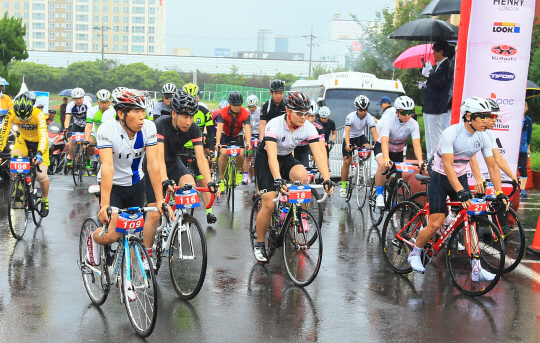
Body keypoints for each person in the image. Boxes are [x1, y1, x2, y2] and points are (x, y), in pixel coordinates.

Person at [407, 96, 505, 281]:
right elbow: (448, 166)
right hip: (440, 176)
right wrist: (461, 191)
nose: (486, 121)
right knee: (435, 222)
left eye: (487, 117)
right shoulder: (451, 133)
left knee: (471, 219)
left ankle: (476, 269)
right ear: (468, 116)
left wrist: (499, 192)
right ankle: (415, 253)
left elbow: (492, 166)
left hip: (458, 176)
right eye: (481, 116)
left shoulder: (483, 136)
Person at [86, 89, 168, 285]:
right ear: (121, 113)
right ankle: (93, 238)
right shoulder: (107, 129)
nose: (142, 117)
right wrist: (104, 204)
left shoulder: (149, 127)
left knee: (133, 233)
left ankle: (126, 277)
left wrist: (159, 200)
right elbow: (108, 167)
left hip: (136, 183)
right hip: (112, 185)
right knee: (114, 234)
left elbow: (153, 164)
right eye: (136, 111)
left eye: (143, 111)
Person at [253, 91, 334, 263]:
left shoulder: (308, 127)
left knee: (303, 176)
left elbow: (319, 154)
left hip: (286, 158)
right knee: (268, 203)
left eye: (306, 113)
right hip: (266, 159)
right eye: (299, 113)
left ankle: (288, 212)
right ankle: (259, 244)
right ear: (288, 111)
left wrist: (326, 178)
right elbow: (272, 157)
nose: (304, 117)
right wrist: (277, 178)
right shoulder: (274, 124)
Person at [142, 90, 218, 269]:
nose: (188, 121)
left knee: (188, 184)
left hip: (174, 163)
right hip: (154, 166)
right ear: (174, 113)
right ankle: (147, 253)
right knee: (153, 213)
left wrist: (209, 182)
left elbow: (201, 159)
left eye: (191, 116)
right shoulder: (160, 124)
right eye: (184, 116)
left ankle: (176, 218)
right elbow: (159, 158)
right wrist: (165, 180)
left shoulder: (193, 128)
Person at [0, 95, 50, 216]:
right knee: (14, 157)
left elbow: (43, 135)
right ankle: (18, 186)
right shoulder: (11, 113)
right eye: (20, 119)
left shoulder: (38, 114)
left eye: (26, 118)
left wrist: (39, 153)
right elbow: (4, 132)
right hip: (23, 142)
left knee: (41, 175)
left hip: (40, 144)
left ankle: (44, 199)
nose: (23, 121)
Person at [374, 96, 424, 207]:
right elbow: (384, 142)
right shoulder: (389, 122)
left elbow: (416, 144)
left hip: (398, 152)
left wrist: (420, 161)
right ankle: (379, 195)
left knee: (397, 177)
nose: (407, 115)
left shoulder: (413, 124)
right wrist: (386, 159)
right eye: (404, 112)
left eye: (409, 112)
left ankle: (393, 200)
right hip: (382, 147)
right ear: (397, 112)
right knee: (383, 166)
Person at [179, 87, 217, 223]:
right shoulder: (179, 113)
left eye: (194, 98)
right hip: (181, 148)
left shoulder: (205, 112)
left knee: (202, 180)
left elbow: (211, 133)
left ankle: (209, 212)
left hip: (197, 147)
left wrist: (211, 150)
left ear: (198, 98)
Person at [341, 95, 378, 198]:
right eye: (361, 109)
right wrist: (348, 144)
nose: (363, 112)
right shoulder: (350, 116)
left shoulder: (369, 117)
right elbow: (347, 132)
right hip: (349, 138)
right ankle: (343, 186)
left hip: (360, 137)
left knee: (368, 149)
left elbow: (374, 133)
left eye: (365, 109)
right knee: (347, 162)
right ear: (357, 109)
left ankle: (361, 163)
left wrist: (378, 144)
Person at [422, 41, 454, 159]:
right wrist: (426, 83)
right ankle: (430, 160)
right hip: (429, 106)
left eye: (435, 51)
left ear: (441, 51)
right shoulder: (438, 66)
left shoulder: (447, 66)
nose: (433, 54)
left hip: (436, 107)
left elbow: (441, 83)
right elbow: (434, 83)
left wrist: (429, 76)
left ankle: (434, 163)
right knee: (429, 137)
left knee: (435, 137)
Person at [214, 91, 251, 192]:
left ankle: (238, 170)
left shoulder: (245, 113)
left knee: (240, 154)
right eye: (234, 105)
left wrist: (248, 142)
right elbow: (219, 128)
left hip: (237, 135)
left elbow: (247, 129)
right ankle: (221, 179)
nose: (236, 107)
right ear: (229, 104)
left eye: (238, 105)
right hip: (225, 135)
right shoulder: (223, 112)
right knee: (224, 153)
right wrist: (217, 142)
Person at [84, 89, 115, 171]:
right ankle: (93, 160)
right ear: (97, 102)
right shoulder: (92, 111)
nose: (104, 104)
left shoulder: (114, 111)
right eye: (102, 102)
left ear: (111, 101)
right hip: (96, 132)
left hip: (110, 133)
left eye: (106, 102)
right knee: (89, 143)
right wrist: (86, 140)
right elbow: (88, 126)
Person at [64, 87, 92, 168]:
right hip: (76, 125)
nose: (78, 101)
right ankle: (71, 159)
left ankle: (87, 158)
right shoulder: (70, 105)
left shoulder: (87, 104)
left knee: (86, 143)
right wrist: (66, 128)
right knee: (72, 141)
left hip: (86, 125)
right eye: (76, 99)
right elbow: (68, 117)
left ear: (83, 97)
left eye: (80, 98)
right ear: (73, 99)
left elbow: (89, 118)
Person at [294, 100, 326, 168]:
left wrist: (326, 167)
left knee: (308, 172)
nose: (310, 120)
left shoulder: (319, 127)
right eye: (308, 116)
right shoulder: (295, 124)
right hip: (292, 150)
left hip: (305, 151)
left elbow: (322, 148)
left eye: (313, 116)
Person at [242, 94, 261, 184]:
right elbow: (243, 125)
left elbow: (263, 124)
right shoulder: (245, 112)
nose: (252, 108)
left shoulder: (260, 111)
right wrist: (244, 134)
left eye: (253, 106)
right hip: (249, 135)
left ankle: (258, 174)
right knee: (247, 156)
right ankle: (245, 176)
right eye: (250, 107)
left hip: (259, 134)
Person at [519, 100, 533, 198]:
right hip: (513, 149)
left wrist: (528, 148)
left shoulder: (528, 121)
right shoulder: (514, 120)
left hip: (522, 149)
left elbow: (529, 136)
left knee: (523, 168)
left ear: (527, 108)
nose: (523, 107)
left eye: (524, 106)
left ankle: (522, 189)